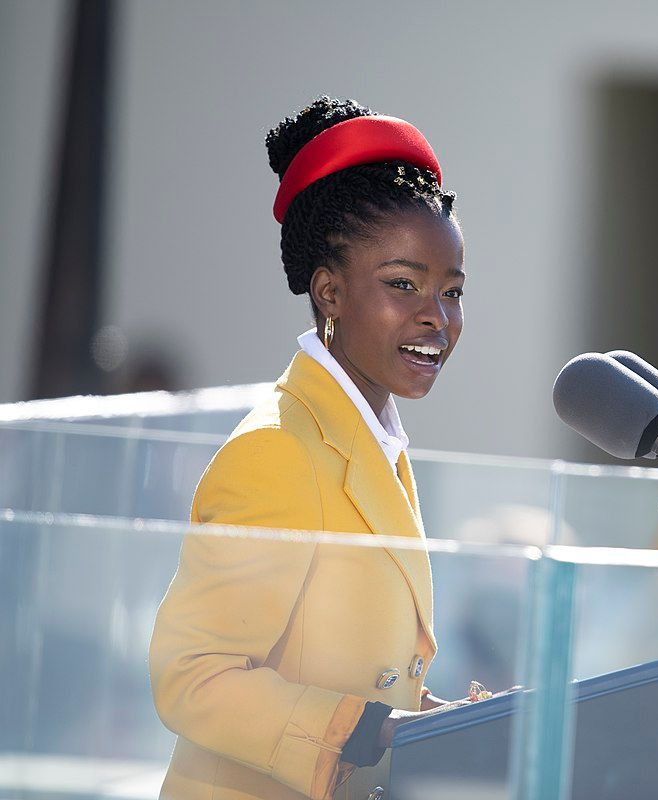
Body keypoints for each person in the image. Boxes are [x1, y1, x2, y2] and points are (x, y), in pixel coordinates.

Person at [149, 96, 473, 800]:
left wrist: (427, 720)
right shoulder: (277, 453)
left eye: (451, 292)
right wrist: (363, 730)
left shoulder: (368, 438)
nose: (437, 318)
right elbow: (192, 675)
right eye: (402, 285)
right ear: (329, 291)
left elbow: (343, 668)